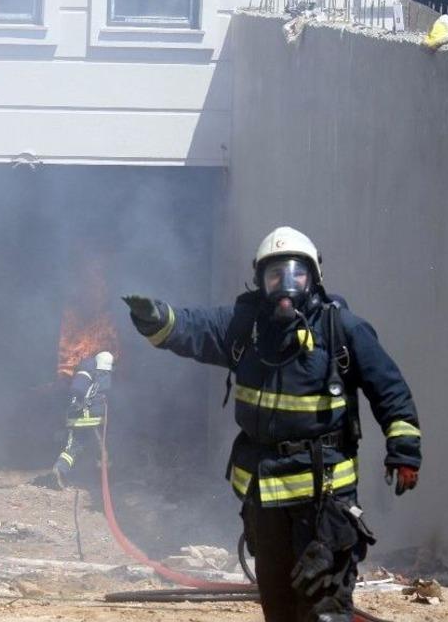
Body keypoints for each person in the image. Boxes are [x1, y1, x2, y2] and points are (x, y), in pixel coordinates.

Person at [123, 227, 421, 622]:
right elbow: (193, 328)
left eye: (296, 274)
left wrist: (403, 451)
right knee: (278, 605)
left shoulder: (342, 330)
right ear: (260, 281)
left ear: (314, 277)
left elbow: (391, 391)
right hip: (263, 499)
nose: (286, 285)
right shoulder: (245, 328)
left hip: (323, 499)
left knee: (324, 607)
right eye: (275, 275)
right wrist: (158, 319)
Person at [50, 350, 114, 489]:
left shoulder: (87, 371)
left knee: (73, 448)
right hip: (98, 420)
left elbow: (77, 390)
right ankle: (104, 477)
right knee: (101, 447)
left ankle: (61, 468)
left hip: (80, 419)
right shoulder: (106, 377)